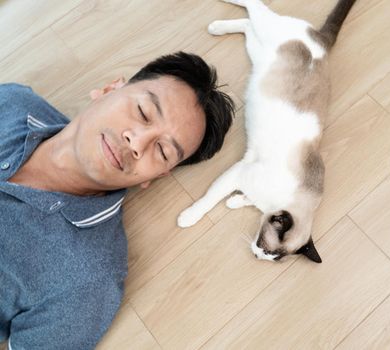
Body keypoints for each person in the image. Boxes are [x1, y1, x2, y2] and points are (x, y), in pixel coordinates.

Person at [0, 52, 235, 349]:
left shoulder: (89, 282)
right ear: (110, 89)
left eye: (162, 151)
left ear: (155, 176)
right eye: (144, 112)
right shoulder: (11, 101)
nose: (137, 143)